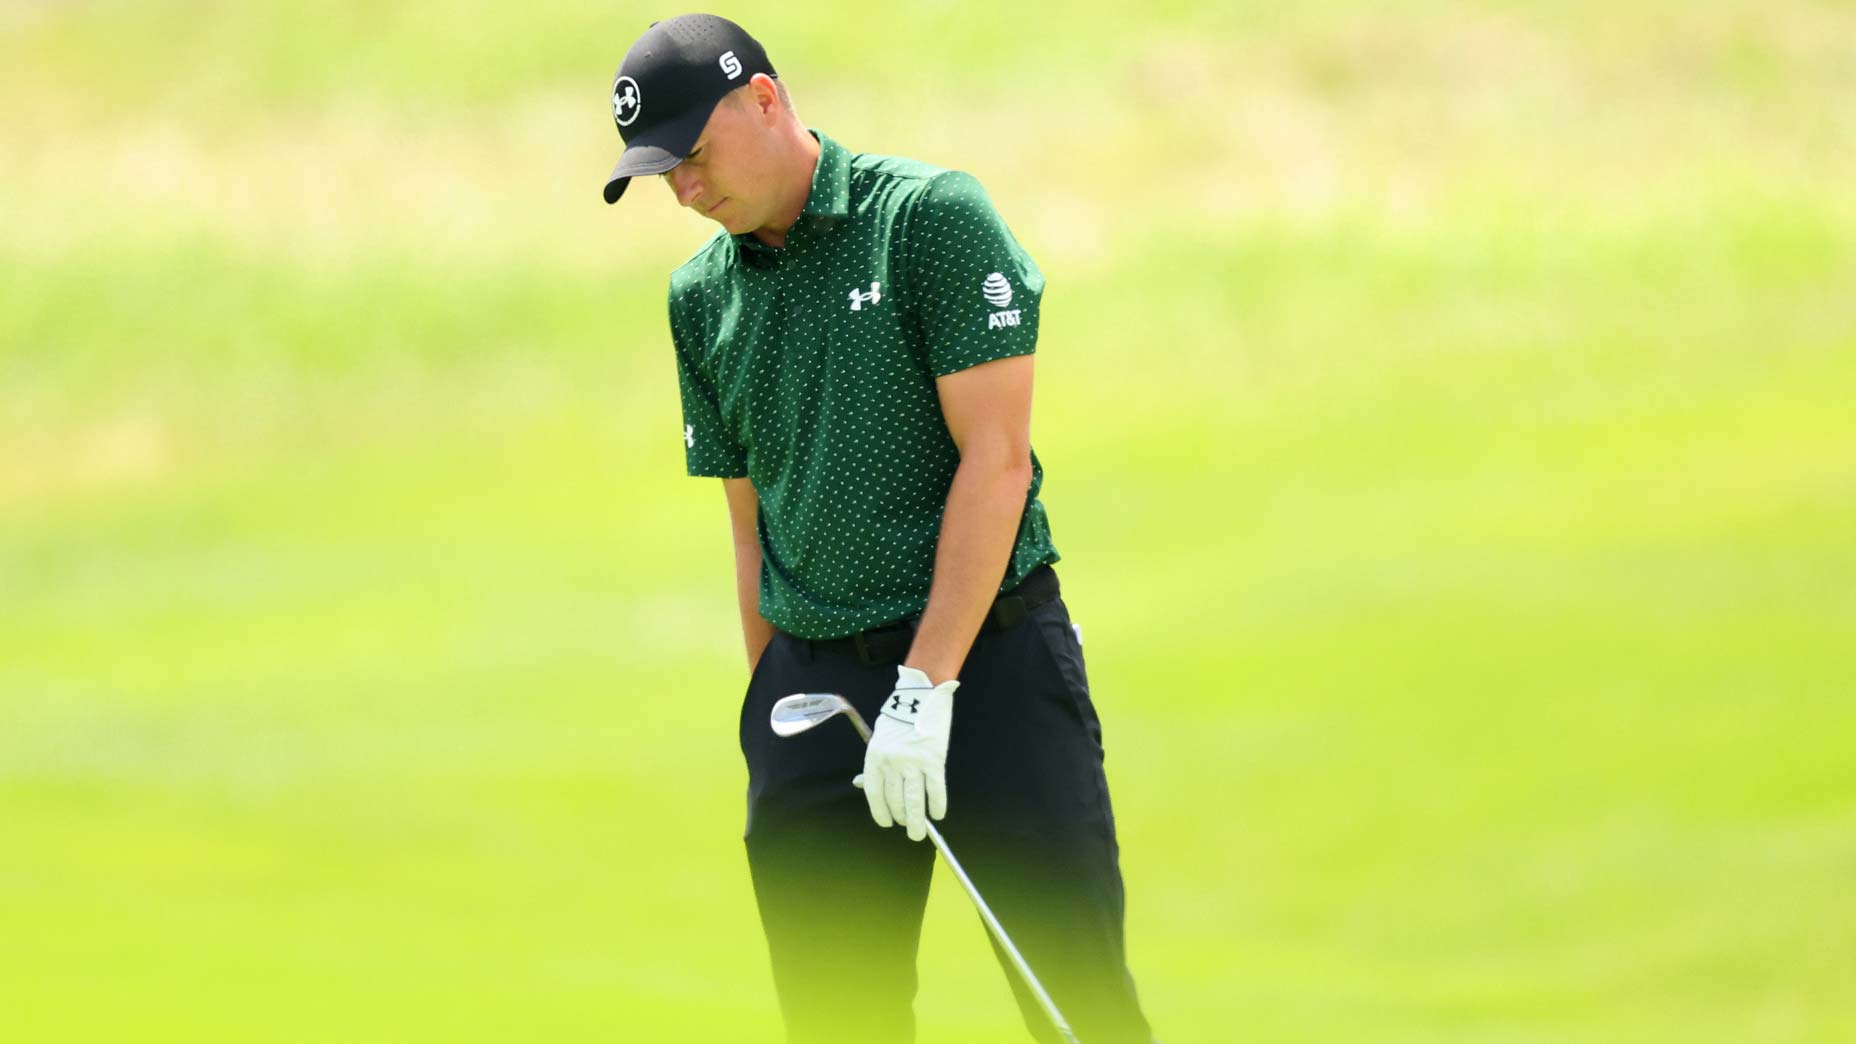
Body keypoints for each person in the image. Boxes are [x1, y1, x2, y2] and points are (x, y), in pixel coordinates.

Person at [601, 15, 1156, 1044]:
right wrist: (769, 716)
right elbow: (749, 523)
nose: (682, 190)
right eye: (658, 174)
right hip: (815, 694)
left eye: (692, 155)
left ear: (763, 100)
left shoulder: (928, 221)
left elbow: (994, 466)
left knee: (1073, 1005)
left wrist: (925, 684)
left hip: (989, 674)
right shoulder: (698, 298)